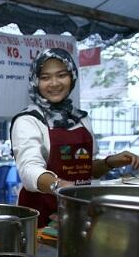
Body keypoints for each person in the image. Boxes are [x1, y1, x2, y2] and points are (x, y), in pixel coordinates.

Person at [11, 48, 139, 227]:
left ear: (72, 77)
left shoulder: (81, 118)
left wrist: (111, 162)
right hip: (42, 218)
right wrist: (60, 186)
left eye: (61, 75)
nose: (54, 83)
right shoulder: (28, 120)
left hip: (80, 212)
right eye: (45, 77)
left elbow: (86, 168)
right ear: (35, 81)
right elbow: (29, 170)